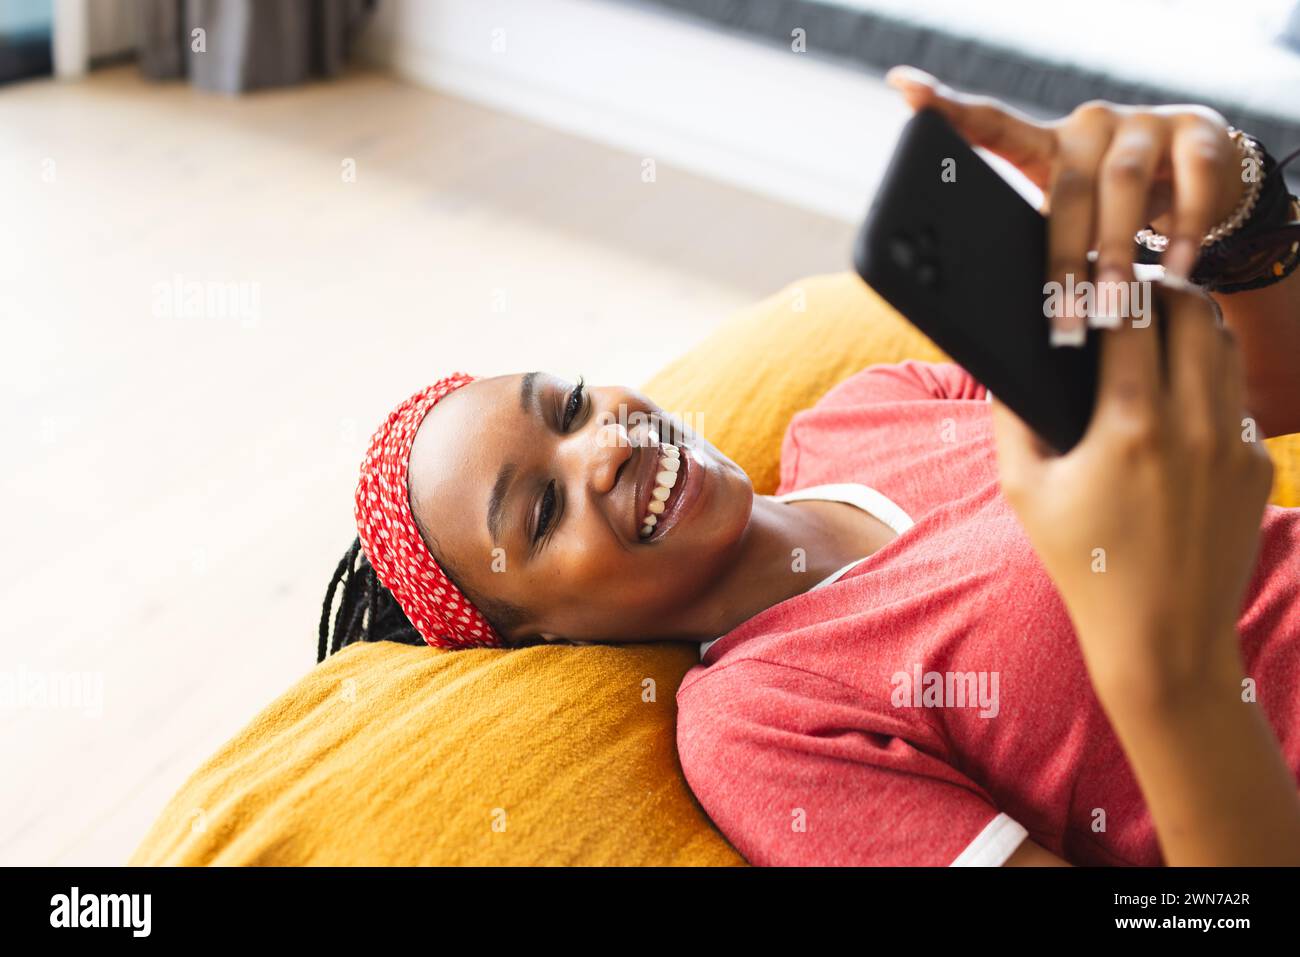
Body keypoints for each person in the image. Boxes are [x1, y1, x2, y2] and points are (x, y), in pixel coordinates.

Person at [318, 68, 1300, 865]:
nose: (605, 445)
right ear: (545, 640)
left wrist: (1231, 219)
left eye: (570, 406)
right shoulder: (757, 729)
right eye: (539, 512)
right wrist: (1162, 662)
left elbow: (1256, 403)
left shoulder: (864, 410)